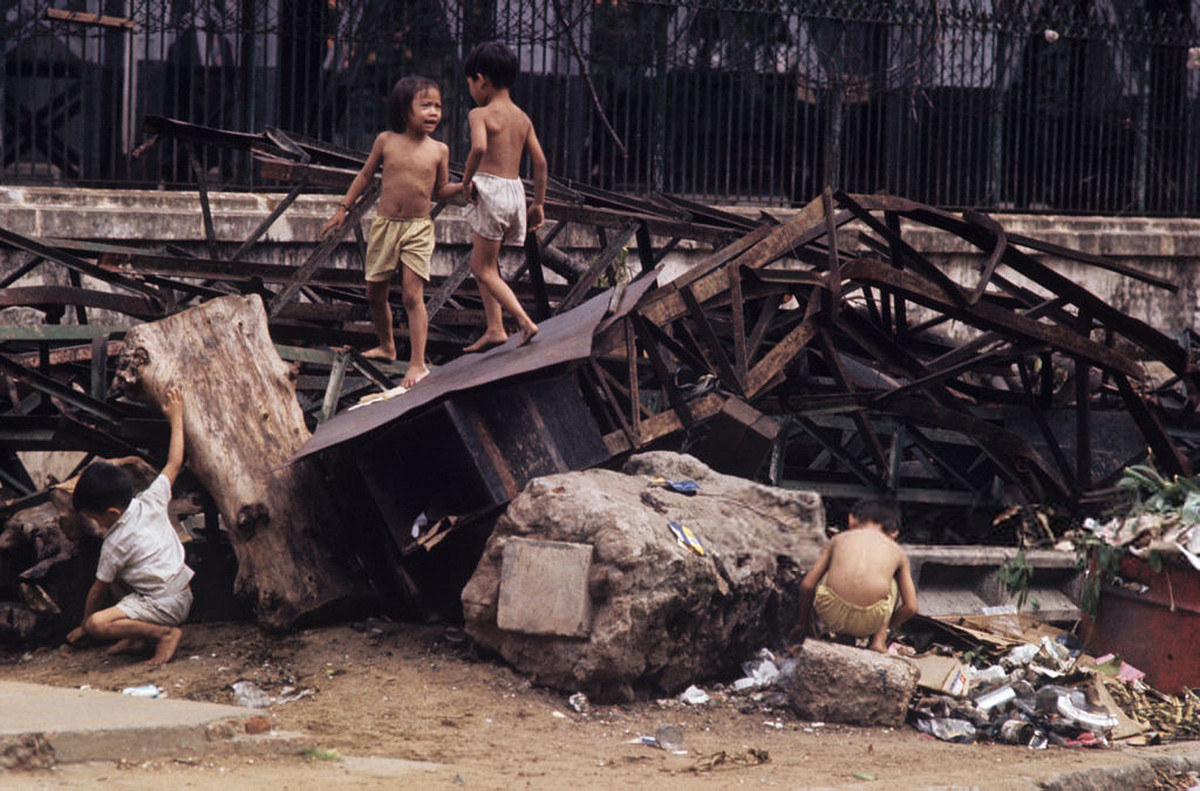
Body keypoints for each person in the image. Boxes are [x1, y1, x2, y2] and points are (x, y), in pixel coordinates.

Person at [322, 76, 460, 387]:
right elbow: (366, 175)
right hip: (385, 227)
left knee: (412, 296)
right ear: (403, 109)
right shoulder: (385, 141)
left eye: (438, 106)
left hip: (417, 230)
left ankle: (417, 363)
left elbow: (439, 191)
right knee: (374, 293)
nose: (434, 112)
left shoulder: (439, 149)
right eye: (426, 105)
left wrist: (464, 188)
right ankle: (387, 345)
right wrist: (343, 209)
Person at [66, 387, 193, 666]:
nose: (96, 524)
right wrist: (177, 417)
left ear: (111, 512)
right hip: (182, 593)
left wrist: (85, 626)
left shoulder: (115, 543)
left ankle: (163, 635)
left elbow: (97, 591)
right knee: (119, 575)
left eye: (94, 518)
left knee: (100, 623)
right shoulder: (151, 499)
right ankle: (138, 638)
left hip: (165, 608)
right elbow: (174, 463)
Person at [459, 41, 544, 352]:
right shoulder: (522, 118)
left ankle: (523, 321)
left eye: (470, 83)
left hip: (490, 191)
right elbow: (541, 163)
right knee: (485, 263)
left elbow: (479, 148)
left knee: (482, 268)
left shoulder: (479, 114)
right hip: (515, 190)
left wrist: (466, 181)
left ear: (481, 79)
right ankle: (495, 328)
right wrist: (538, 204)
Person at [789, 498, 919, 653]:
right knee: (891, 581)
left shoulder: (837, 540)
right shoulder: (898, 552)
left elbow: (807, 585)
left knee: (829, 570)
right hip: (870, 621)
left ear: (851, 519)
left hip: (830, 613)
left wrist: (803, 623)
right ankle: (878, 640)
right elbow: (911, 607)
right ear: (893, 533)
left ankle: (841, 637)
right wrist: (885, 626)